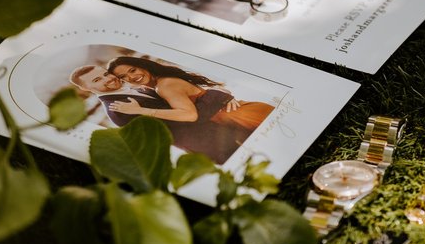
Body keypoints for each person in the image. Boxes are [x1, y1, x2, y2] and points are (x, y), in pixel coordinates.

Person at [69, 64, 239, 164]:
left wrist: (217, 94)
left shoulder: (136, 90)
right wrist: (218, 96)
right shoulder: (118, 111)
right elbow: (187, 119)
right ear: (86, 88)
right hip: (212, 148)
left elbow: (184, 104)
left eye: (105, 74)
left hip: (225, 131)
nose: (109, 79)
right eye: (97, 80)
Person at [105, 56, 274, 134]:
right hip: (235, 118)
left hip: (241, 117)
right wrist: (223, 94)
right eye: (123, 77)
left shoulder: (164, 86)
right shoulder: (152, 86)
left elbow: (190, 114)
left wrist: (140, 111)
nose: (131, 77)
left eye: (132, 70)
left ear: (141, 65)